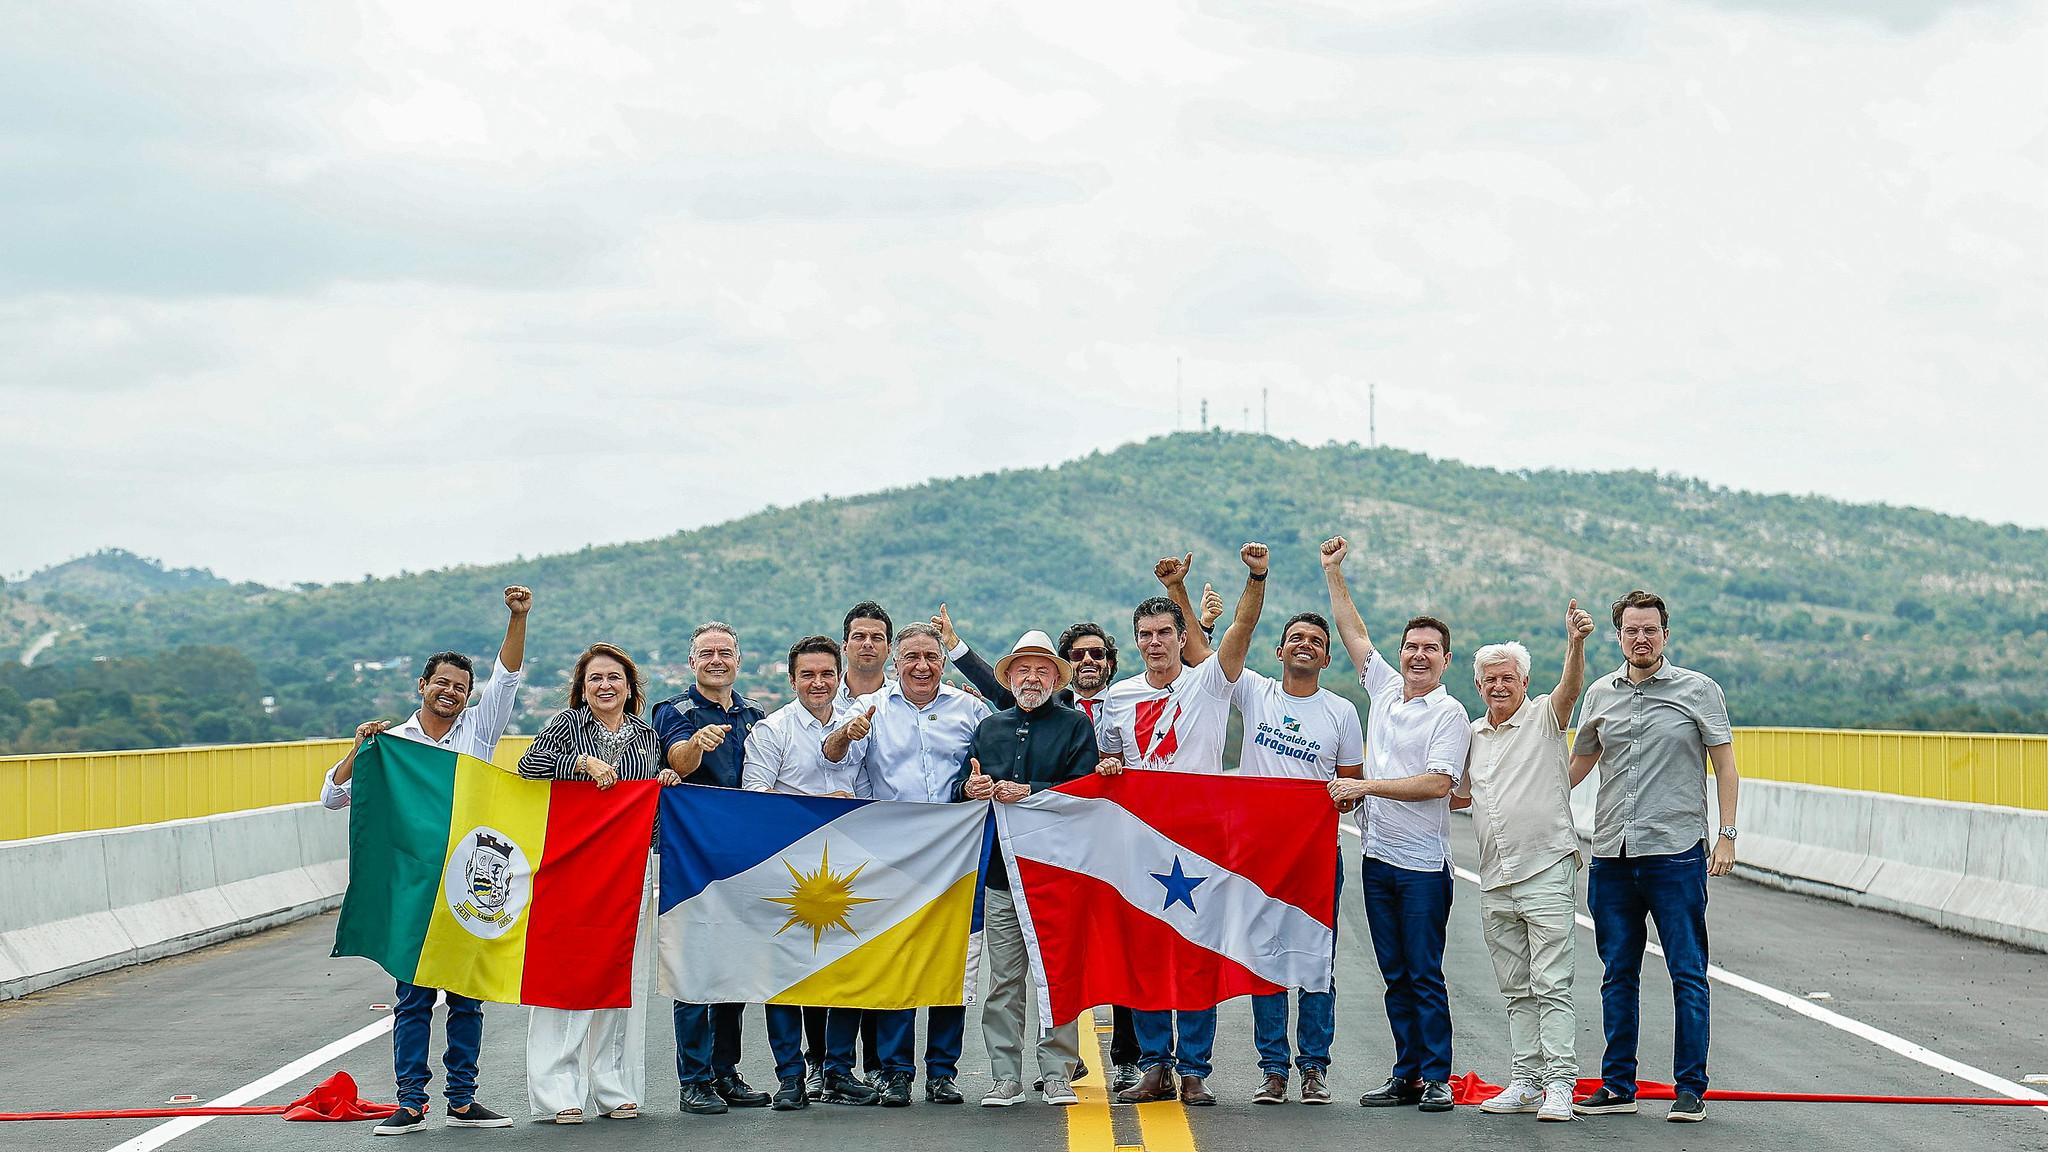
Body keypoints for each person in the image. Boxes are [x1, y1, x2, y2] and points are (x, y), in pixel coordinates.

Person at [323, 585, 531, 1136]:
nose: (451, 692)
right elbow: (333, 796)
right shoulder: (392, 740)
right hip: (415, 889)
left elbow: (507, 678)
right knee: (412, 998)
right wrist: (359, 749)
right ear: (422, 685)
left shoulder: (480, 731)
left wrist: (518, 617)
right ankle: (410, 1102)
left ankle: (462, 1099)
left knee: (466, 998)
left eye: (461, 687)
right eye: (442, 683)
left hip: (468, 883)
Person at [1102, 544, 1267, 1107]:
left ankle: (1195, 1069)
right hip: (1141, 843)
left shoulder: (1210, 681)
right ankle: (1154, 1066)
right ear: (1137, 641)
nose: (1155, 643)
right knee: (1146, 958)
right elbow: (1110, 762)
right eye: (1145, 635)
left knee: (1197, 956)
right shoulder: (1119, 697)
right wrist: (1109, 767)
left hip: (1200, 840)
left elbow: (1242, 629)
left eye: (1165, 633)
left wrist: (1256, 577)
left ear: (1182, 636)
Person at [1568, 590, 1740, 1124]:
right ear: (1618, 636)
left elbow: (1725, 765)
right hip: (1612, 853)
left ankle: (1690, 1090)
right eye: (1631, 630)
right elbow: (1577, 765)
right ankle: (1618, 1085)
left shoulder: (1699, 690)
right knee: (1617, 972)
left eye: (1650, 630)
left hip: (1675, 853)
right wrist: (1520, 799)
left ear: (1665, 634)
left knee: (1687, 972)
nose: (1640, 638)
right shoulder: (1600, 694)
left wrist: (1727, 834)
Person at [1321, 535, 1469, 1114]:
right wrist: (1333, 571)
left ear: (1446, 660)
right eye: (1411, 647)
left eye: (1431, 649)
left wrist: (1365, 787)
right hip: (1378, 860)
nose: (1418, 656)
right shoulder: (1384, 690)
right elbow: (1353, 632)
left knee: (1424, 973)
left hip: (1423, 868)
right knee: (1395, 974)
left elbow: (1438, 784)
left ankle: (1437, 1077)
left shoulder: (1449, 712)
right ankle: (1406, 1073)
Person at [825, 621, 989, 1106]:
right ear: (896, 662)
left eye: (931, 657)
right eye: (912, 657)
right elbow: (831, 755)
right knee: (898, 960)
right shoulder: (869, 706)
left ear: (943, 661)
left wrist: (977, 785)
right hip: (891, 852)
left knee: (953, 962)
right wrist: (845, 733)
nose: (921, 666)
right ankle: (895, 1071)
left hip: (955, 851)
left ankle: (942, 1072)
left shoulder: (969, 709)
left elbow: (996, 752)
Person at [517, 643, 682, 1124]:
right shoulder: (566, 725)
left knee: (620, 973)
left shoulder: (647, 737)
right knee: (567, 973)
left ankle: (613, 1086)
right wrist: (581, 764)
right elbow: (528, 768)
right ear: (582, 688)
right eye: (595, 679)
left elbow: (650, 814)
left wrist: (665, 782)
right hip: (573, 869)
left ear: (630, 687)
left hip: (629, 870)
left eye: (614, 678)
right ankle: (557, 1092)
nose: (605, 686)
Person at [947, 631, 1102, 1108]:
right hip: (1001, 872)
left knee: (1056, 975)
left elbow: (1084, 790)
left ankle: (1057, 1074)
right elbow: (960, 786)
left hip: (1056, 873)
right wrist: (969, 789)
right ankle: (1004, 1077)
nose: (1032, 678)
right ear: (1010, 677)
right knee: (1004, 980)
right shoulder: (989, 728)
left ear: (1056, 678)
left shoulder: (1076, 726)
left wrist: (1029, 790)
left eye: (1042, 670)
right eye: (1023, 670)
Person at [1455, 601, 1596, 1123]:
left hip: (1545, 868)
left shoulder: (1543, 717)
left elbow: (1570, 691)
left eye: (1508, 678)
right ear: (1479, 685)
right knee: (1516, 987)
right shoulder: (1471, 737)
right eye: (1490, 679)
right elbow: (1454, 793)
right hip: (1495, 876)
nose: (1499, 686)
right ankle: (1525, 1080)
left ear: (1524, 682)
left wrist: (1575, 643)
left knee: (1551, 982)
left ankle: (1560, 1084)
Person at [1227, 609, 1363, 1106]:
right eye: (1296, 638)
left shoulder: (1342, 713)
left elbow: (1350, 787)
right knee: (1265, 960)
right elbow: (1206, 656)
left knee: (1315, 961)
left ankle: (1314, 1067)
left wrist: (1337, 798)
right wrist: (1181, 592)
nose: (1305, 644)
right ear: (1280, 651)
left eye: (1316, 641)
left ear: (1326, 658)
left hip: (1316, 856)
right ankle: (1272, 1069)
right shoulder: (1255, 692)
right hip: (1260, 856)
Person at [741, 635, 881, 1109]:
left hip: (845, 870)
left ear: (839, 676)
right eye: (807, 675)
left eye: (826, 674)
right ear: (792, 680)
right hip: (787, 871)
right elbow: (754, 798)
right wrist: (819, 806)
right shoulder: (772, 730)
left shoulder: (860, 724)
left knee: (845, 969)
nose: (818, 683)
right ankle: (790, 1076)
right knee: (784, 975)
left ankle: (838, 1069)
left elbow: (868, 792)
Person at [651, 623, 771, 1115]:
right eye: (706, 653)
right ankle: (694, 1079)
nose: (716, 660)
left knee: (733, 967)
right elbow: (676, 763)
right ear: (692, 661)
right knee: (694, 969)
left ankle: (726, 1071)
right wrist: (697, 744)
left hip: (742, 857)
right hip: (692, 859)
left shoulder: (755, 714)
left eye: (725, 652)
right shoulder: (673, 711)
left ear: (738, 660)